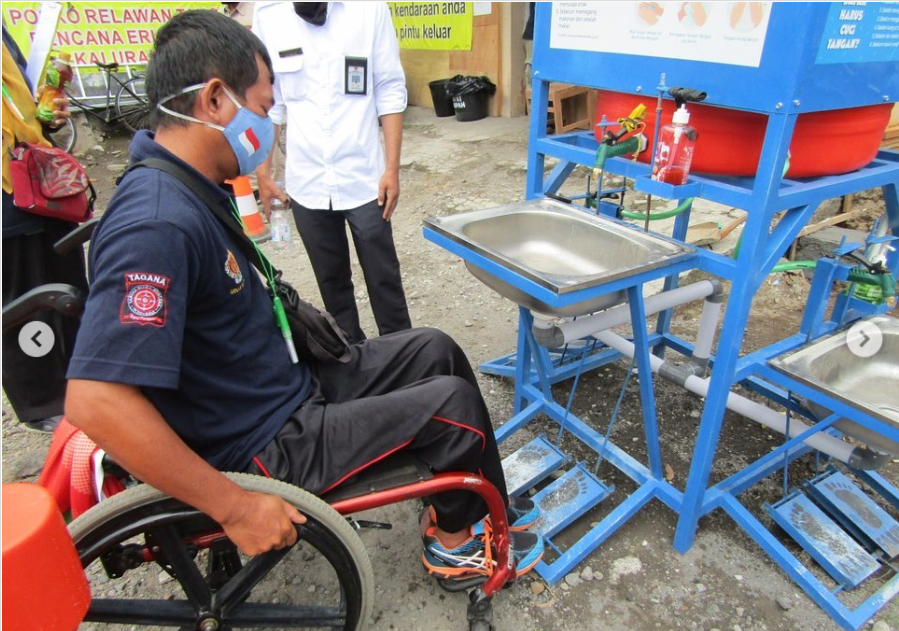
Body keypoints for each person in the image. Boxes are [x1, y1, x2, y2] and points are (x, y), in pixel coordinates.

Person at [65, 9, 543, 581]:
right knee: (452, 405)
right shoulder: (157, 223)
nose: (267, 126)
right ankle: (454, 543)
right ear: (215, 100)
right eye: (263, 109)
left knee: (434, 349)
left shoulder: (191, 185)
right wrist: (234, 505)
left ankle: (483, 509)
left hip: (283, 387)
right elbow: (95, 401)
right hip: (263, 443)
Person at [252, 2, 411, 344]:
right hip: (306, 181)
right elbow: (271, 102)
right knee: (332, 284)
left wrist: (392, 168)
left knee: (384, 281)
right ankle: (353, 365)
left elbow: (389, 88)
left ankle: (404, 360)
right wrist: (264, 174)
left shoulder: (369, 11)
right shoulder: (270, 16)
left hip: (365, 178)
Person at [2, 25, 88, 433]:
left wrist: (45, 117)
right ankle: (45, 402)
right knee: (26, 304)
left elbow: (22, 106)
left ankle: (85, 383)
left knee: (69, 290)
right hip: (7, 202)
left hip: (41, 184)